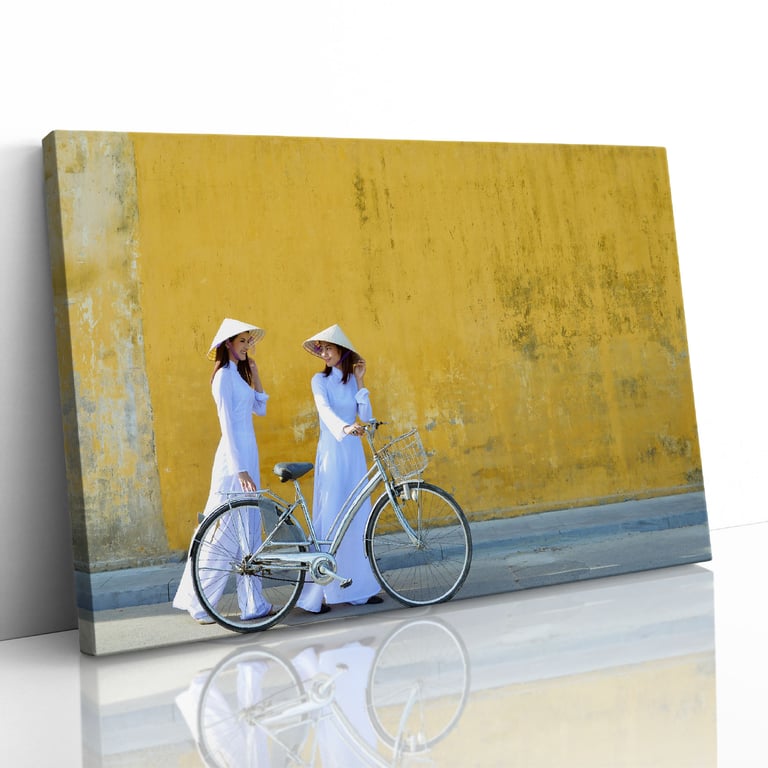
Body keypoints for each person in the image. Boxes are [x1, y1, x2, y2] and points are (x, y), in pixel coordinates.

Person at [173, 317, 275, 623]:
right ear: (227, 344)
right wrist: (239, 468)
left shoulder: (239, 376)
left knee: (247, 530)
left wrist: (256, 375)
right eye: (241, 341)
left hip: (247, 455)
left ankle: (252, 603)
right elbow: (227, 427)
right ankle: (200, 601)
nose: (246, 346)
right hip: (234, 461)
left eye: (248, 341)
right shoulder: (222, 378)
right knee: (220, 532)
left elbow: (261, 408)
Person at [295, 324, 383, 614]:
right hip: (333, 451)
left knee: (357, 517)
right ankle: (320, 593)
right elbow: (325, 411)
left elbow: (367, 416)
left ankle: (359, 588)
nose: (325, 353)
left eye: (329, 348)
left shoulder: (350, 381)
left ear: (342, 351)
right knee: (332, 515)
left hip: (353, 453)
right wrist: (345, 427)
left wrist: (360, 381)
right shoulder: (319, 380)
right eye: (322, 349)